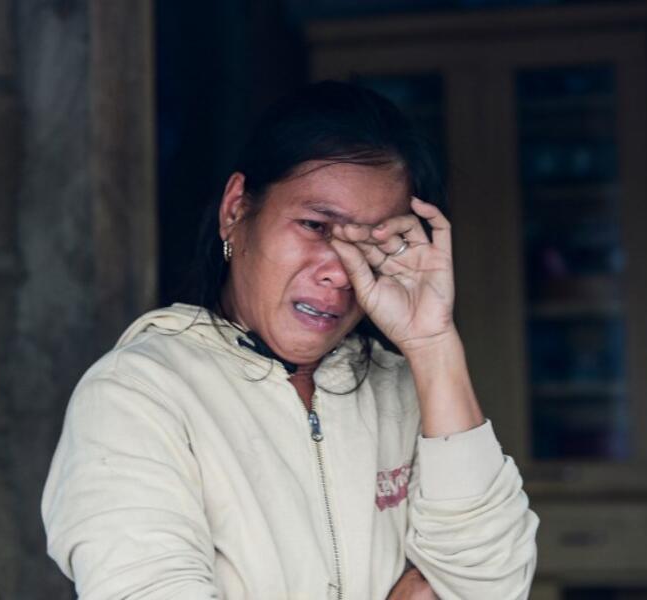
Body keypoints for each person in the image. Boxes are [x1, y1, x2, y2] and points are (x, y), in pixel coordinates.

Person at [42, 80, 539, 599]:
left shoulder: (408, 392)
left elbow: (495, 584)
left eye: (375, 243)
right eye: (316, 226)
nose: (340, 272)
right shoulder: (138, 394)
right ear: (236, 210)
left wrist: (433, 344)